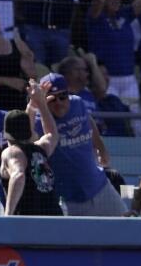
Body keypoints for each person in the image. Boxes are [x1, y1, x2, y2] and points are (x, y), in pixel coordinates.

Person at [34, 72, 122, 216]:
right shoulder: (39, 119)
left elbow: (88, 120)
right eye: (52, 99)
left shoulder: (78, 103)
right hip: (68, 200)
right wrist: (34, 106)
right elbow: (30, 138)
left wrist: (100, 146)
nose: (59, 103)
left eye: (63, 96)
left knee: (127, 230)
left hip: (100, 187)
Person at [0, 81, 62, 216]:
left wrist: (8, 215)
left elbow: (18, 175)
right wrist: (40, 105)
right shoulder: (41, 149)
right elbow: (52, 134)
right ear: (29, 132)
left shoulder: (12, 152)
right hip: (55, 220)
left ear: (6, 134)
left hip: (28, 224)